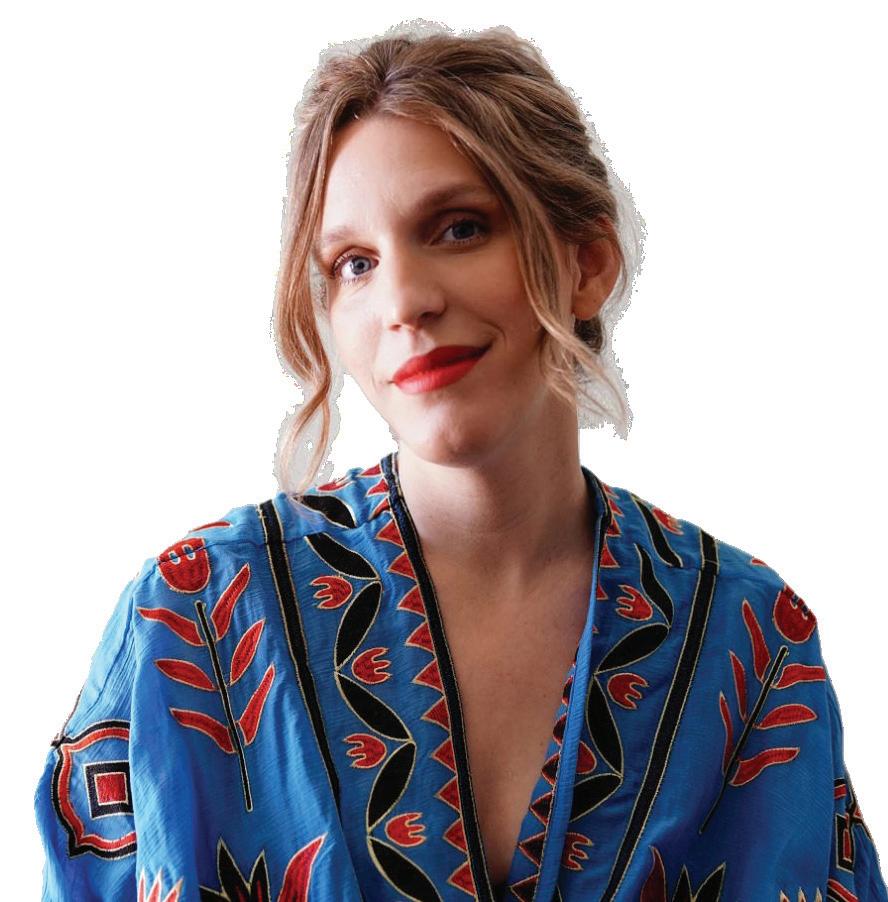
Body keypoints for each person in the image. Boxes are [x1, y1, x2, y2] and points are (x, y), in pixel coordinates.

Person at [34, 21, 887, 902]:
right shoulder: (196, 619)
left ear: (587, 262)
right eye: (354, 264)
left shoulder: (751, 641)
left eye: (458, 228)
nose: (403, 299)